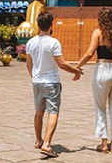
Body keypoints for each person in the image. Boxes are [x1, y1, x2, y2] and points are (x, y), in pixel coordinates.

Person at [26, 11, 83, 158]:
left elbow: (28, 65)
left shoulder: (30, 42)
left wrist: (35, 77)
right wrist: (76, 71)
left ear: (38, 25)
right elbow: (62, 64)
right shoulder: (53, 42)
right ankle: (47, 144)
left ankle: (38, 140)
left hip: (37, 82)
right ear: (51, 26)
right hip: (51, 82)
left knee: (39, 112)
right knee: (53, 112)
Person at [74, 7, 112, 153]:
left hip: (102, 70)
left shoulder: (98, 33)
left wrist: (77, 67)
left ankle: (103, 143)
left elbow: (89, 53)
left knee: (100, 108)